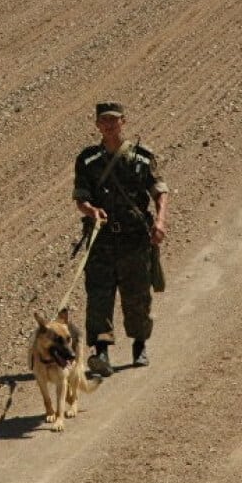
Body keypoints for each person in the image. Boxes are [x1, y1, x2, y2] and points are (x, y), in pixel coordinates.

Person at [73, 102, 169, 376]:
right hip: (101, 240)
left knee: (137, 296)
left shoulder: (141, 157)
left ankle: (139, 346)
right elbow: (81, 198)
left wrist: (160, 221)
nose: (109, 125)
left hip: (135, 239)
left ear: (123, 122)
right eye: (104, 121)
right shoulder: (88, 160)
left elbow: (159, 191)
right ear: (97, 125)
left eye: (113, 120)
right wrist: (91, 211)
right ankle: (101, 352)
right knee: (99, 296)